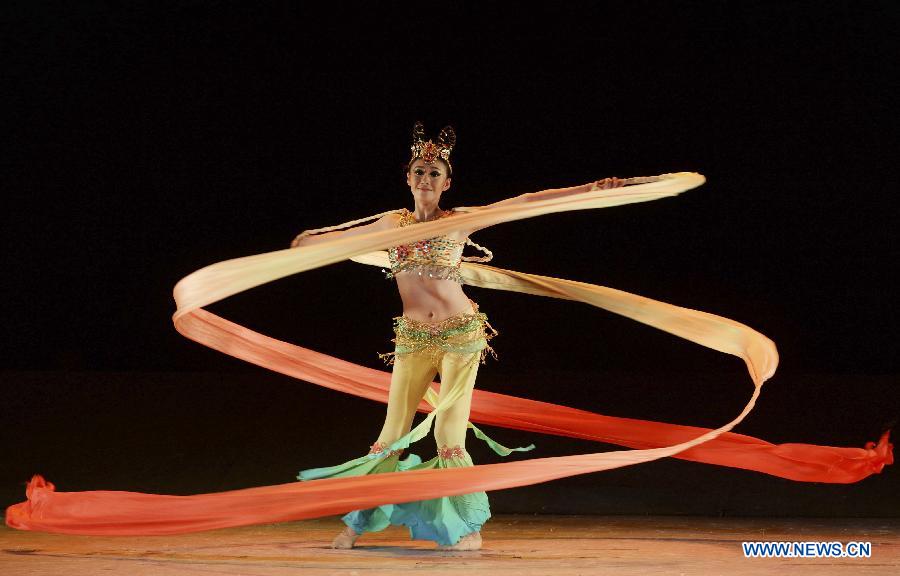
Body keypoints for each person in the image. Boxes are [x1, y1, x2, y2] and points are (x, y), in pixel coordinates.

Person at [290, 122, 622, 551]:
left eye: (434, 173)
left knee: (449, 436)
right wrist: (308, 241)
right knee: (390, 435)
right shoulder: (393, 223)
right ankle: (357, 523)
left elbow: (523, 203)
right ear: (407, 178)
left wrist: (589, 189)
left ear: (447, 183)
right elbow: (343, 239)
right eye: (419, 171)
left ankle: (468, 528)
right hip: (412, 337)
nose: (425, 179)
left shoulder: (459, 222)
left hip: (460, 335)